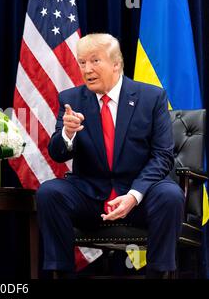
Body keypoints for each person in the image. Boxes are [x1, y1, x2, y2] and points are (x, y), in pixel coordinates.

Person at [36, 33, 184, 279]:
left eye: (95, 61)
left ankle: (159, 273)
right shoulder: (71, 99)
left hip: (140, 196)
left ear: (116, 63)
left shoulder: (152, 97)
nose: (87, 69)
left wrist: (134, 196)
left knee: (170, 195)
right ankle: (61, 273)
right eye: (82, 62)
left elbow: (162, 156)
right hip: (90, 195)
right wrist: (67, 134)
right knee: (49, 193)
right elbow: (57, 154)